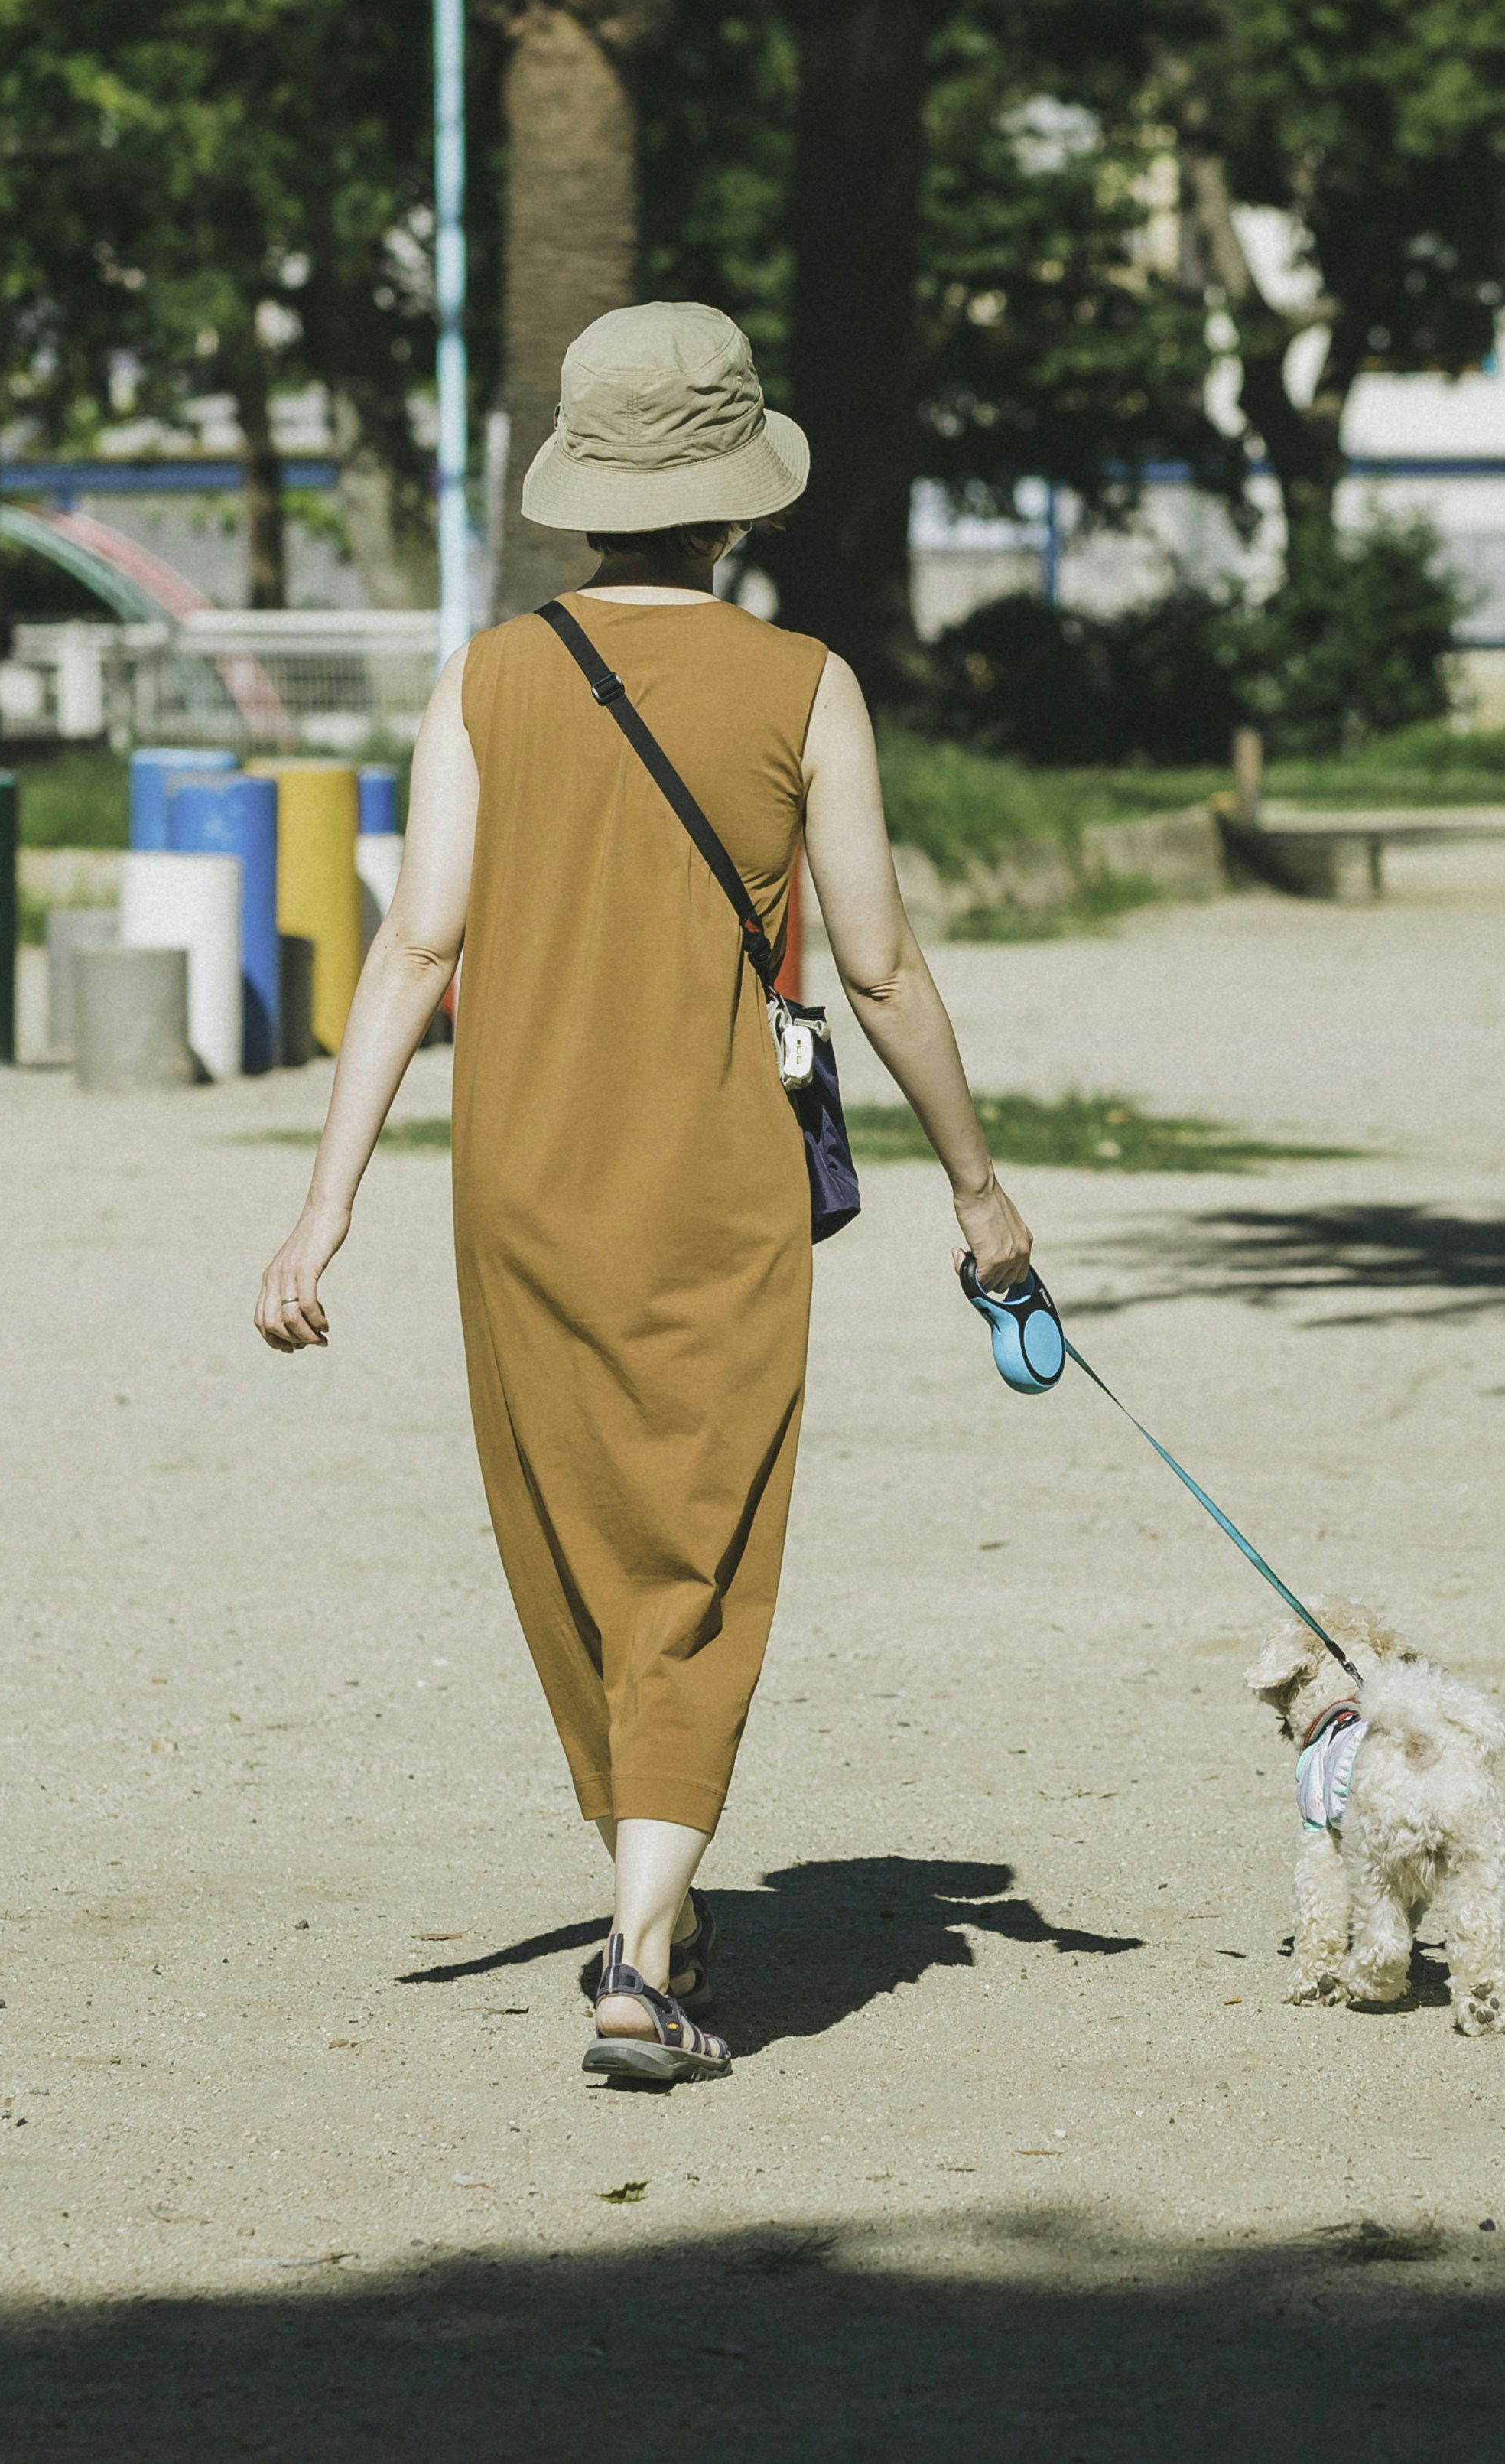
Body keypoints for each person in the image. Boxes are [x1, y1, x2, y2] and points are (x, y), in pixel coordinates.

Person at [250, 302, 1032, 2085]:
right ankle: (636, 1956)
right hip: (711, 1184)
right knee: (702, 1540)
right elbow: (884, 969)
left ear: (585, 492)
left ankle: (657, 1899)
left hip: (514, 1180)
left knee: (574, 1534)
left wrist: (326, 1206)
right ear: (737, 500)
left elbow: (419, 945)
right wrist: (980, 1188)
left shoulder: (487, 673)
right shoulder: (805, 683)